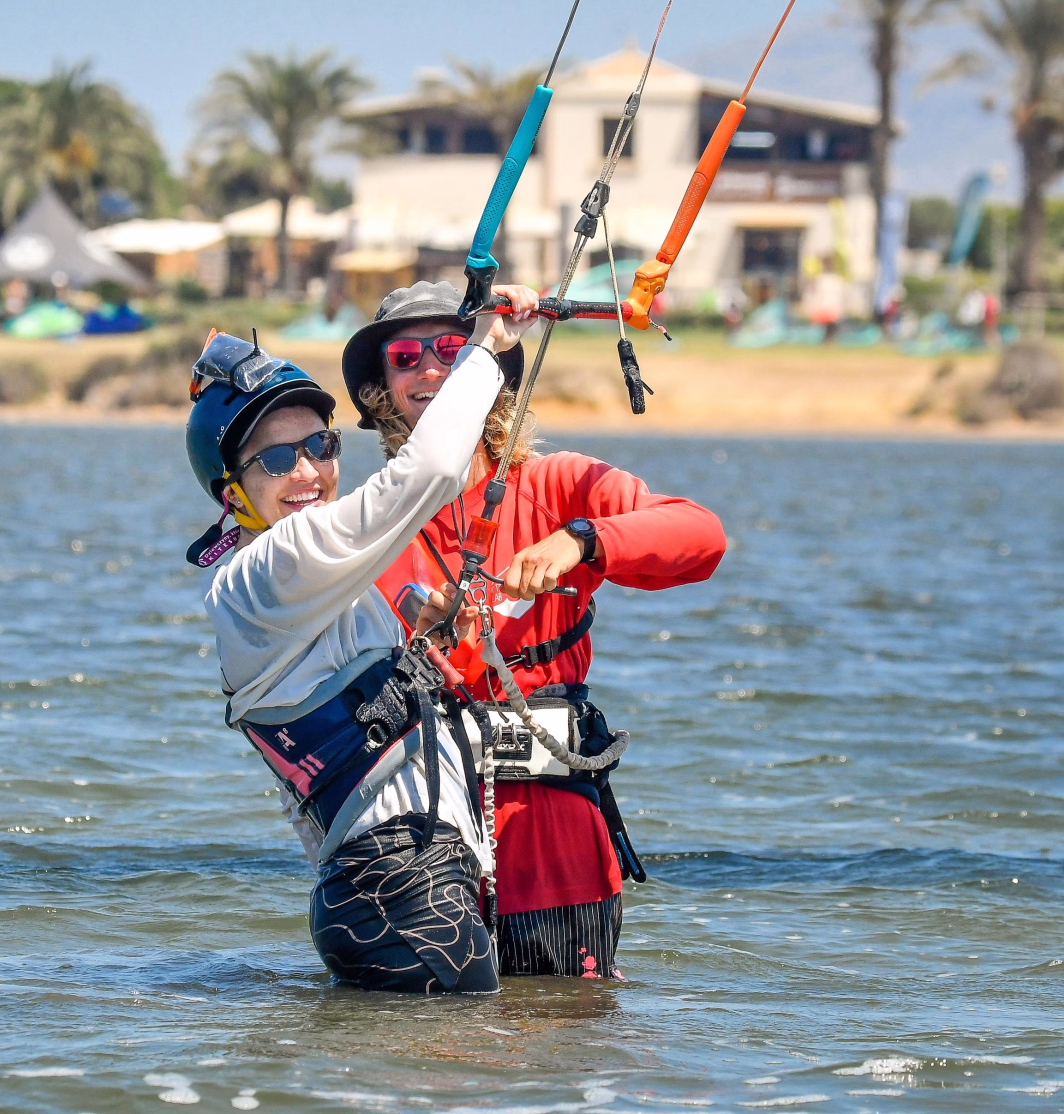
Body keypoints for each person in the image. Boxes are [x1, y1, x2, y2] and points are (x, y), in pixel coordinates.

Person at [341, 281, 727, 979]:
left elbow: (702, 536)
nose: (431, 370)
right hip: (424, 856)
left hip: (557, 850)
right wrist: (417, 636)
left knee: (566, 1052)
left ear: (489, 374)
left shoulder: (560, 484)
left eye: (453, 350)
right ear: (381, 392)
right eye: (406, 357)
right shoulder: (365, 525)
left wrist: (582, 541)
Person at [188, 285, 541, 994]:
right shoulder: (267, 567)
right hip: (398, 888)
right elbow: (433, 471)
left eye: (321, 445)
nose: (309, 473)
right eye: (277, 458)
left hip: (396, 889)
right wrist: (483, 349)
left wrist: (430, 620)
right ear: (231, 493)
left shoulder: (313, 587)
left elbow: (347, 680)